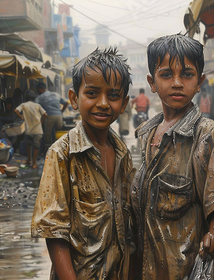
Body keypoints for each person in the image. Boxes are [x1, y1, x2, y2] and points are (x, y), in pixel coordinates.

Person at [130, 34, 214, 280]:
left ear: (199, 81)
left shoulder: (207, 135)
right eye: (167, 75)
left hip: (186, 269)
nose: (177, 83)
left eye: (187, 75)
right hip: (146, 267)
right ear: (152, 82)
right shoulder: (147, 133)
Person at [31, 47, 133, 279]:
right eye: (92, 93)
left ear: (124, 103)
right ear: (74, 98)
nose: (103, 103)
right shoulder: (62, 154)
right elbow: (54, 231)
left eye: (113, 96)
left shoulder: (122, 153)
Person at [14, 91, 47, 169]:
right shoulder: (37, 105)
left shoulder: (23, 105)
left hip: (29, 129)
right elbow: (45, 114)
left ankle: (29, 159)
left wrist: (21, 116)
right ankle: (34, 163)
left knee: (28, 144)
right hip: (37, 129)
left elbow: (16, 110)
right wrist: (41, 122)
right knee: (36, 146)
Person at [35, 82, 68, 151]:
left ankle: (49, 151)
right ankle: (61, 150)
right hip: (59, 116)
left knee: (48, 134)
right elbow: (67, 103)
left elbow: (35, 107)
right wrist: (61, 111)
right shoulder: (56, 94)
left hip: (49, 116)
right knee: (59, 133)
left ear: (40, 89)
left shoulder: (40, 97)